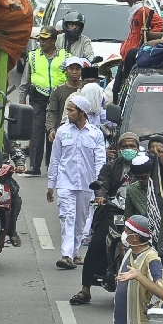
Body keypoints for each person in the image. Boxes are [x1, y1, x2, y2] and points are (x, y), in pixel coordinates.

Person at [69, 132, 139, 305]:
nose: (128, 149)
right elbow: (101, 183)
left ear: (138, 148)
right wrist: (100, 196)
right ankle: (86, 289)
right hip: (113, 210)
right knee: (96, 245)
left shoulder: (144, 167)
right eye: (125, 147)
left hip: (137, 213)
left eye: (132, 146)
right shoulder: (110, 167)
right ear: (119, 148)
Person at [47, 95, 106, 269]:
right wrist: (51, 185)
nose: (69, 113)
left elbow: (100, 161)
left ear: (82, 112)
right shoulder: (62, 132)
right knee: (67, 217)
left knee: (81, 220)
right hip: (65, 183)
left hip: (87, 185)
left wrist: (99, 187)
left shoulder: (96, 134)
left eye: (72, 110)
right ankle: (66, 255)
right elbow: (55, 159)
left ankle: (74, 253)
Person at [112, 215, 163, 324]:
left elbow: (160, 287)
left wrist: (139, 278)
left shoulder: (152, 257)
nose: (124, 234)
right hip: (120, 323)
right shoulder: (130, 251)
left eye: (127, 231)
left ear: (135, 238)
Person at [21, 27, 69, 175]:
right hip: (38, 97)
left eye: (45, 39)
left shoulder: (65, 56)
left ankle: (52, 165)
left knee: (54, 131)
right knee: (36, 131)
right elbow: (25, 79)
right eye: (40, 38)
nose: (41, 41)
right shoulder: (33, 56)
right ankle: (34, 166)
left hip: (58, 98)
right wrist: (22, 99)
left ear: (54, 41)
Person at [45, 57, 85, 142]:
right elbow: (52, 111)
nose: (74, 72)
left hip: (83, 134)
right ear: (66, 70)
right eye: (71, 68)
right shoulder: (58, 90)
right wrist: (51, 129)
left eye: (78, 69)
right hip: (62, 134)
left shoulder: (86, 89)